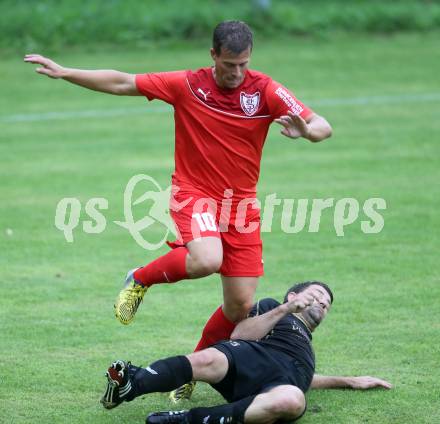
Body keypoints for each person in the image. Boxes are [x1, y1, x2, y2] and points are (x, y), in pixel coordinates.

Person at [25, 21, 332, 400]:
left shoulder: (264, 89)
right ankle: (139, 278)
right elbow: (124, 82)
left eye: (244, 64)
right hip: (194, 193)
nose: (237, 73)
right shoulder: (188, 85)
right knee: (205, 258)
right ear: (213, 55)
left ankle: (193, 367)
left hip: (240, 207)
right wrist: (66, 72)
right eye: (230, 64)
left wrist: (307, 131)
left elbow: (322, 124)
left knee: (239, 308)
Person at [100, 281, 391, 423]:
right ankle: (130, 385)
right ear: (294, 295)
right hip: (249, 358)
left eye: (327, 304)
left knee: (292, 399)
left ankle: (186, 419)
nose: (322, 304)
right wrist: (286, 309)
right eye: (317, 296)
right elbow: (240, 335)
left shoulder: (307, 351)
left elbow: (309, 380)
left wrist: (350, 381)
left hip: (281, 384)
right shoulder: (273, 309)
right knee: (210, 357)